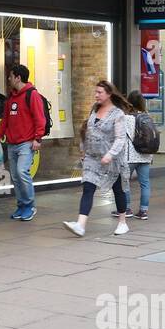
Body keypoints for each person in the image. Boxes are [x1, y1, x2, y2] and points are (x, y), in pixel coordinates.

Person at [63, 80, 131, 237]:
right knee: (88, 188)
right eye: (96, 92)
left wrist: (110, 154)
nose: (96, 95)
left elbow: (120, 138)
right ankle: (80, 224)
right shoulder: (94, 110)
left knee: (118, 190)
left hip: (112, 159)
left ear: (109, 94)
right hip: (92, 158)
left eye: (99, 92)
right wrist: (83, 149)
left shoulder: (118, 114)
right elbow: (87, 130)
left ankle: (122, 222)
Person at [0, 64, 48, 221]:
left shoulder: (32, 95)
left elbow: (40, 119)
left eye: (11, 76)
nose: (9, 79)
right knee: (16, 177)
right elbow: (6, 119)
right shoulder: (11, 97)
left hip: (26, 143)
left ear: (18, 77)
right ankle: (21, 206)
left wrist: (37, 138)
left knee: (22, 172)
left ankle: (30, 205)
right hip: (12, 143)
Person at [112, 90, 155, 220]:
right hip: (146, 155)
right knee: (145, 183)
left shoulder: (126, 118)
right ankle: (143, 211)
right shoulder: (148, 117)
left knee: (124, 183)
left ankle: (127, 209)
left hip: (130, 156)